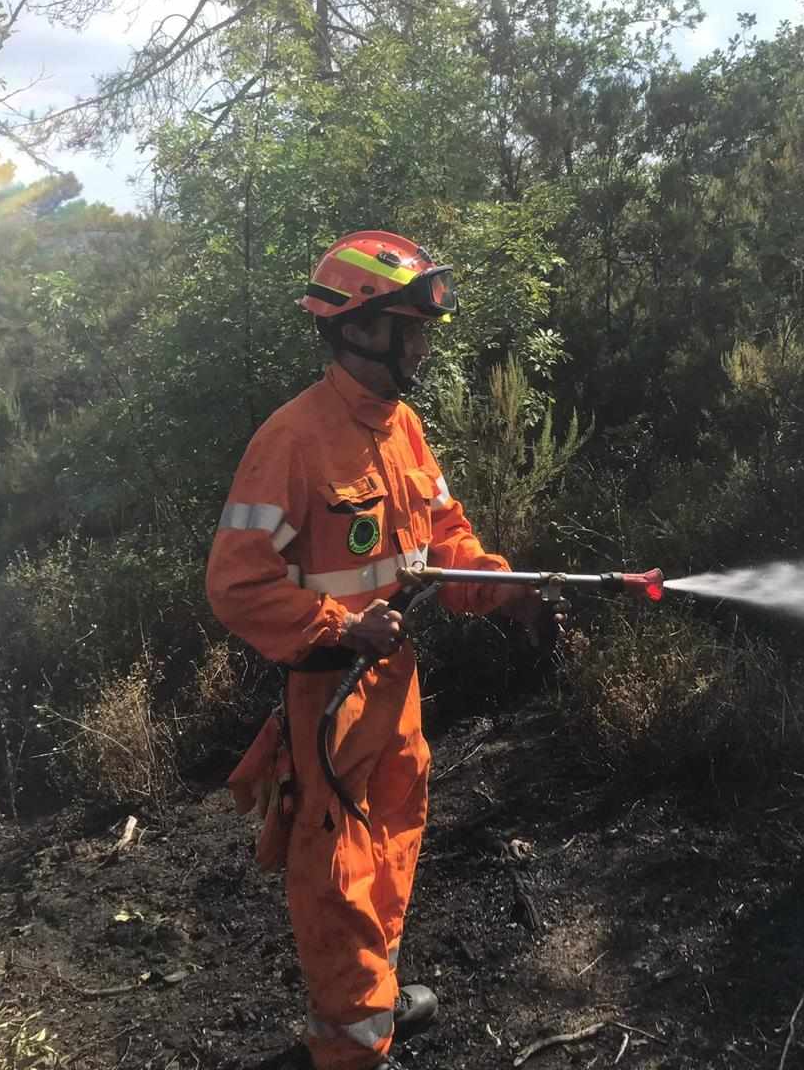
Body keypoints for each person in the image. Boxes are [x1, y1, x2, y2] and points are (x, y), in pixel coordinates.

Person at [206, 231, 548, 1070]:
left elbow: (442, 541)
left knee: (395, 845)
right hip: (328, 701)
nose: (424, 344)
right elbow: (237, 585)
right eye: (410, 327)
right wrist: (337, 626)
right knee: (337, 878)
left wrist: (507, 590)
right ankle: (353, 1052)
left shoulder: (403, 430)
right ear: (361, 330)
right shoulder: (292, 440)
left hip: (395, 691)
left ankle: (375, 1008)